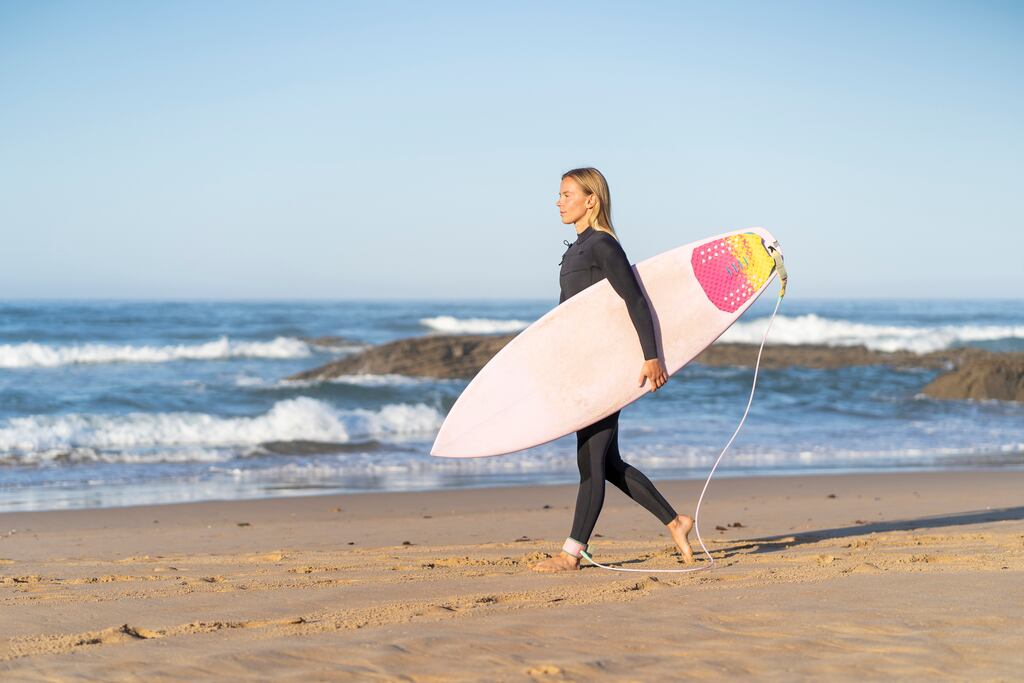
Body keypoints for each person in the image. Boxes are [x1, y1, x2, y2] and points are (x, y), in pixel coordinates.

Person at [530, 167, 695, 573]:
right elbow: (572, 315)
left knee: (591, 460)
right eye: (559, 194)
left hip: (607, 370)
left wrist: (651, 356)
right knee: (605, 461)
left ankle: (572, 552)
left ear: (591, 199)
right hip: (584, 366)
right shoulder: (577, 249)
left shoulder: (604, 246)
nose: (558, 200)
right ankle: (676, 522)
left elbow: (636, 301)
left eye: (567, 194)